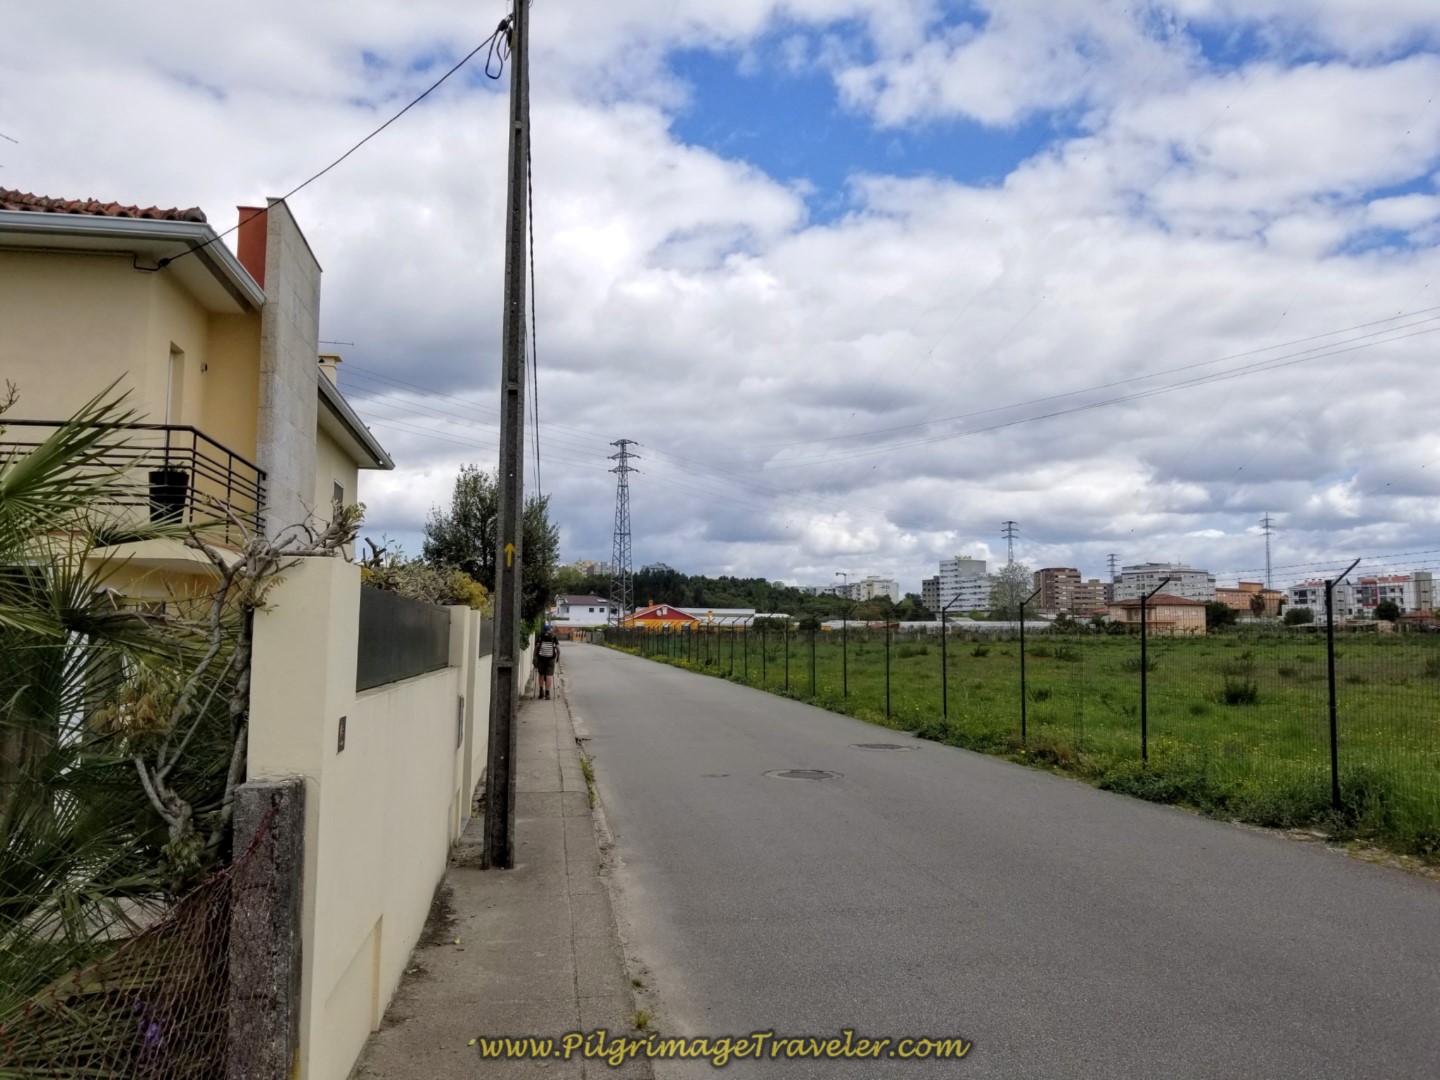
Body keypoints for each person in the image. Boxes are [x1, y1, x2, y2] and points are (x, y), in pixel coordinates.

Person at [534, 623, 560, 699]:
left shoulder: (540, 636)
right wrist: (558, 654)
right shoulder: (553, 636)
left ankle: (541, 691)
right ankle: (547, 693)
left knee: (541, 674)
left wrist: (534, 657)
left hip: (541, 658)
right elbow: (558, 648)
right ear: (550, 629)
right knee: (549, 676)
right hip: (550, 659)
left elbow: (536, 648)